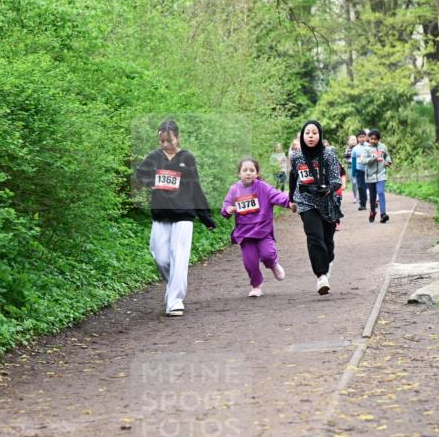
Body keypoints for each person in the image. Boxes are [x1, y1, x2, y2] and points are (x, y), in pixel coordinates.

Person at [135, 119, 217, 316]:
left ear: (177, 138)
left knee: (179, 258)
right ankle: (173, 288)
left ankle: (175, 301)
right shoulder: (154, 157)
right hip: (160, 215)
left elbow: (195, 187)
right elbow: (139, 174)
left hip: (183, 215)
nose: (165, 144)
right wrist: (150, 182)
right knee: (161, 257)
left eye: (168, 140)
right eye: (161, 141)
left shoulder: (186, 158)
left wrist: (206, 217)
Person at [221, 158, 294, 298]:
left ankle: (273, 264)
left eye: (252, 170)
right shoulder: (234, 189)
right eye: (245, 170)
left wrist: (289, 203)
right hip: (245, 233)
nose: (248, 173)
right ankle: (256, 285)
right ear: (239, 174)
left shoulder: (263, 187)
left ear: (257, 173)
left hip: (262, 230)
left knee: (267, 254)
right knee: (250, 262)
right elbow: (226, 205)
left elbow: (276, 195)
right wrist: (228, 209)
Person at [289, 120, 343, 295]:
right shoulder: (297, 157)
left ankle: (327, 264)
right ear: (302, 136)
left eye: (314, 133)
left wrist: (328, 189)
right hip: (305, 201)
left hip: (327, 202)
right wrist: (291, 199)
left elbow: (336, 179)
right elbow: (293, 178)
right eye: (307, 133)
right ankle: (321, 276)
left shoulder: (329, 156)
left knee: (327, 242)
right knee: (314, 237)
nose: (310, 136)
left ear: (320, 135)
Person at [357, 129, 392, 223]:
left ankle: (383, 214)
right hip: (370, 176)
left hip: (381, 174)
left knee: (381, 193)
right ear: (369, 138)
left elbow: (387, 156)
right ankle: (373, 211)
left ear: (379, 139)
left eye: (375, 139)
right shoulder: (366, 148)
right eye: (371, 139)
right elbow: (363, 161)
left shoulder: (383, 147)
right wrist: (373, 158)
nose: (373, 141)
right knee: (372, 198)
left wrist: (388, 161)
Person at [350, 130, 369, 211]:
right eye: (360, 137)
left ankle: (374, 201)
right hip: (359, 170)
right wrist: (353, 171)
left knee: (370, 187)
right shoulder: (355, 149)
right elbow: (353, 161)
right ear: (357, 138)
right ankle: (363, 204)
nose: (362, 139)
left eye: (363, 137)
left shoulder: (369, 146)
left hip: (369, 170)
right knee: (361, 187)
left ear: (366, 137)